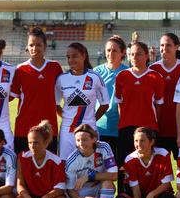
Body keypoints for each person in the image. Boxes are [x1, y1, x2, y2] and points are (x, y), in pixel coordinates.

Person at [10, 27, 63, 154]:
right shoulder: (20, 70)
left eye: (38, 44)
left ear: (45, 46)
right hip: (24, 128)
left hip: (49, 129)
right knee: (23, 167)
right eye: (31, 45)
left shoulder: (55, 67)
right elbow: (10, 97)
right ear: (27, 47)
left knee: (48, 166)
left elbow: (63, 94)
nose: (34, 48)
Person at [114, 41, 164, 167]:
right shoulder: (122, 76)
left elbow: (158, 105)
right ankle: (124, 188)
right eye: (132, 54)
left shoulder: (156, 76)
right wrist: (126, 119)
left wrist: (152, 124)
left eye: (138, 54)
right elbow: (119, 103)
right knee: (125, 165)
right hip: (126, 127)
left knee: (148, 164)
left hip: (148, 128)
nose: (134, 57)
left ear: (147, 56)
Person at [55, 42, 109, 159]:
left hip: (89, 131)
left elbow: (105, 104)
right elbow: (56, 104)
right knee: (66, 165)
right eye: (68, 57)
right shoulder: (61, 79)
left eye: (74, 56)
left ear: (83, 56)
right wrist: (66, 117)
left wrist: (92, 119)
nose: (71, 60)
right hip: (67, 131)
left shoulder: (95, 77)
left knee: (91, 165)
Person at [13, 120, 68, 198]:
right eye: (30, 142)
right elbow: (20, 184)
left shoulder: (56, 161)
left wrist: (46, 197)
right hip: (31, 197)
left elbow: (60, 188)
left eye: (36, 142)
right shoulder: (22, 157)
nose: (32, 146)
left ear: (46, 143)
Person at [119, 127, 175, 198]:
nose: (138, 144)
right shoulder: (130, 159)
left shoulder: (163, 154)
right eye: (136, 141)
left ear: (152, 141)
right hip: (139, 194)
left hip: (156, 195)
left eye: (142, 140)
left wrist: (152, 194)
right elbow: (135, 189)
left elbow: (167, 184)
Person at [65, 124, 118, 198]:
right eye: (78, 140)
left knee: (107, 183)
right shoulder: (71, 160)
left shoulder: (103, 147)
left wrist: (89, 176)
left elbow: (114, 175)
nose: (80, 144)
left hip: (101, 186)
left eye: (84, 140)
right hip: (83, 191)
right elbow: (70, 189)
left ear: (94, 139)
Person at [149, 33, 180, 158]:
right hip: (159, 129)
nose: (164, 48)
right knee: (160, 172)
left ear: (177, 47)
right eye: (162, 45)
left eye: (168, 45)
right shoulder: (153, 69)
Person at [94, 35, 128, 167]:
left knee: (121, 168)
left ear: (123, 52)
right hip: (101, 128)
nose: (110, 54)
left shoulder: (127, 72)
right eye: (108, 50)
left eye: (114, 50)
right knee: (100, 169)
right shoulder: (97, 72)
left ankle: (122, 189)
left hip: (121, 128)